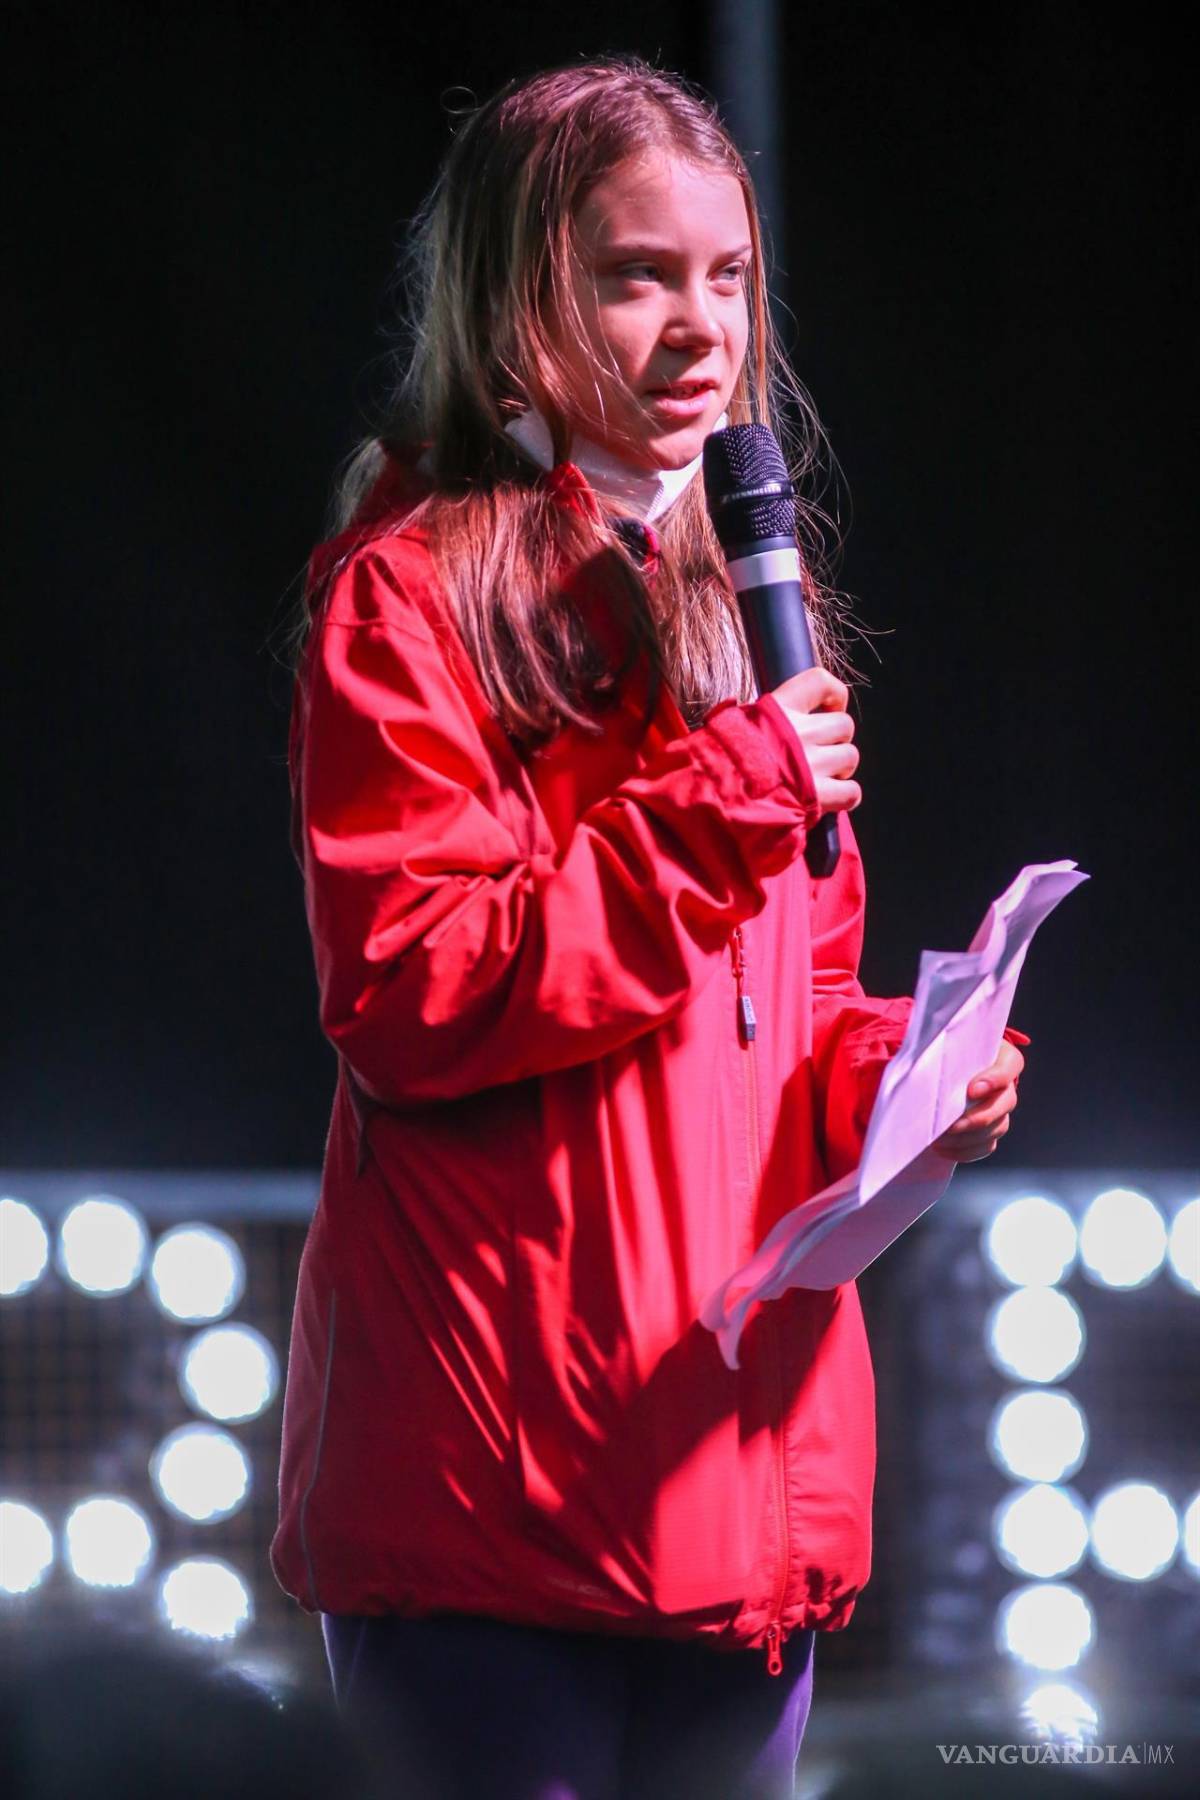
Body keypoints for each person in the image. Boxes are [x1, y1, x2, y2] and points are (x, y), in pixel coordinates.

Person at [270, 56, 1027, 1800]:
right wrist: (719, 798)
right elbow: (415, 991)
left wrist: (908, 1078)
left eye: (728, 277)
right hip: (495, 1517)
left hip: (730, 1499)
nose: (700, 326)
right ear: (518, 295)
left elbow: (779, 1011)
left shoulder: (750, 598)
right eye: (637, 274)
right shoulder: (407, 594)